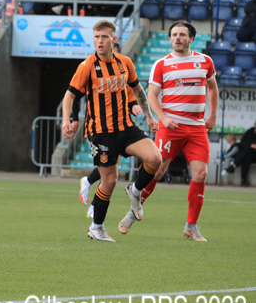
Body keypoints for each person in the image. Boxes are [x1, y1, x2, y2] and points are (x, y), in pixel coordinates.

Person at [118, 21, 219, 242]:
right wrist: (162, 117)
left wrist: (212, 115)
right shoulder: (161, 64)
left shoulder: (205, 61)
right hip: (170, 126)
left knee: (201, 174)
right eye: (174, 35)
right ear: (170, 38)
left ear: (191, 38)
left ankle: (191, 227)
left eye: (182, 34)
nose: (177, 38)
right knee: (158, 171)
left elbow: (212, 87)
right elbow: (152, 96)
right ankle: (134, 210)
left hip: (197, 127)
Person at [61, 19, 160, 242]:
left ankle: (135, 191)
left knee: (155, 158)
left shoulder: (125, 62)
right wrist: (66, 120)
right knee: (110, 180)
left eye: (104, 37)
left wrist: (150, 116)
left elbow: (137, 88)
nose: (100, 41)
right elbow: (70, 95)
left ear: (113, 39)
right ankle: (96, 227)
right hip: (101, 131)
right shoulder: (86, 66)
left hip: (126, 127)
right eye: (96, 37)